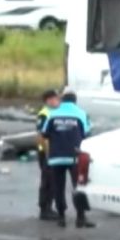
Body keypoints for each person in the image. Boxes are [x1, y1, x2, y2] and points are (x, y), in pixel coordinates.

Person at [41, 90, 95, 229]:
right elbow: (87, 133)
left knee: (59, 188)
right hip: (75, 157)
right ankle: (80, 218)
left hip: (56, 157)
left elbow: (44, 133)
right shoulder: (81, 114)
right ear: (75, 101)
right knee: (79, 187)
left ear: (62, 100)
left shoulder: (52, 114)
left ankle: (61, 218)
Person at [36, 89, 60, 221]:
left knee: (53, 181)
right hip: (46, 152)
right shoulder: (44, 114)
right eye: (56, 99)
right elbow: (41, 136)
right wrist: (45, 152)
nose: (58, 101)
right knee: (47, 181)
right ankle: (44, 209)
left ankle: (49, 208)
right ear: (49, 100)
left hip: (53, 151)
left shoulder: (54, 113)